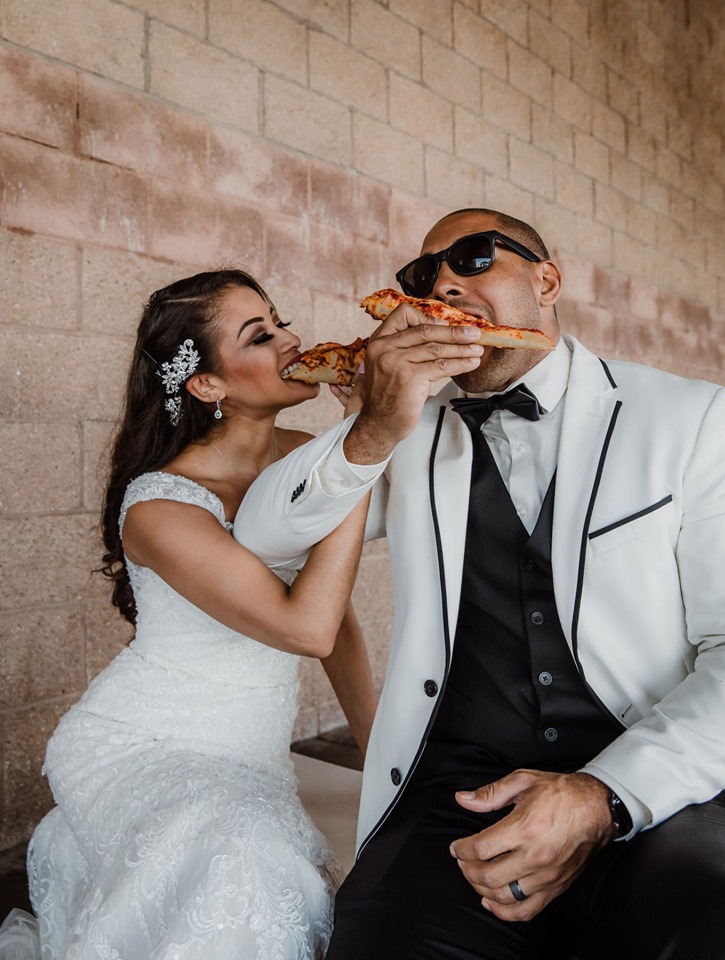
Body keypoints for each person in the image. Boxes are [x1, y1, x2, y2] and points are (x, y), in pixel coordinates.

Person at [232, 209, 725, 959]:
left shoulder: (689, 418)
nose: (444, 285)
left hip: (650, 783)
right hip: (455, 792)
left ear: (545, 279)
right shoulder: (405, 425)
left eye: (471, 258)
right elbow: (265, 534)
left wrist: (601, 796)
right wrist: (373, 424)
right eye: (421, 277)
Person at [0, 269, 378, 960]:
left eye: (279, 320)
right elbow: (306, 628)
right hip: (140, 742)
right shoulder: (161, 507)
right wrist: (361, 450)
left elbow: (338, 619)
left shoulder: (308, 458)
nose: (291, 339)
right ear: (208, 385)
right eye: (258, 335)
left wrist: (385, 755)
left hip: (249, 754)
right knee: (242, 860)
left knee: (245, 850)